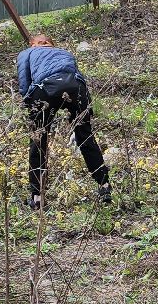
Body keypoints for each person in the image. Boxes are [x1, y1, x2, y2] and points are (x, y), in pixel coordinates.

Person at [15, 34, 111, 208]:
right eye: (42, 41)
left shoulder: (27, 53)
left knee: (39, 139)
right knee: (85, 136)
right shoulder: (63, 52)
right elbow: (77, 76)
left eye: (44, 42)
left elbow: (24, 84)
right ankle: (104, 185)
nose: (43, 43)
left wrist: (31, 109)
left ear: (32, 44)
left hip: (45, 88)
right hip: (76, 87)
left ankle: (37, 197)